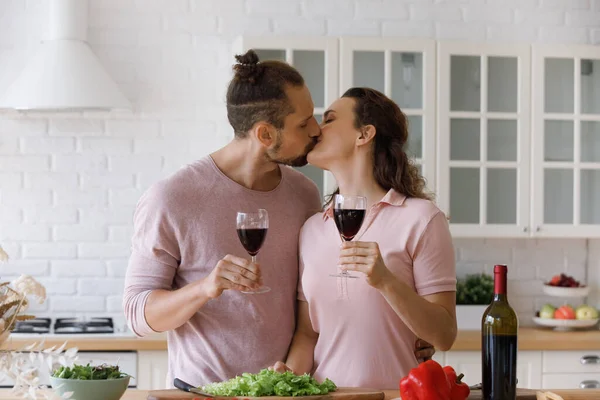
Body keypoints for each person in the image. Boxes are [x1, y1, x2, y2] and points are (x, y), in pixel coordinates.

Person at [123, 51, 435, 387]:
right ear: (265, 135)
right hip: (204, 393)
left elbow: (316, 308)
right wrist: (205, 288)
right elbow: (138, 315)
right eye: (303, 124)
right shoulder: (172, 198)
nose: (316, 130)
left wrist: (411, 326)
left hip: (286, 392)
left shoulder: (304, 194)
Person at [272, 87, 457, 389]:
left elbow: (444, 335)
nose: (316, 129)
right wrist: (288, 380)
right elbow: (308, 334)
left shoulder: (422, 219)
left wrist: (387, 282)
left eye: (329, 119)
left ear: (364, 134)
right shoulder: (312, 230)